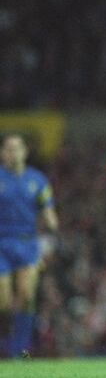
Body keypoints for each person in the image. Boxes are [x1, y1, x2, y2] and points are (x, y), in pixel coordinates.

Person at [0, 133, 59, 358]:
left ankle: (20, 350)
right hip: (1, 244)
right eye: (8, 148)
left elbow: (48, 209)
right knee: (3, 303)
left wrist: (52, 222)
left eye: (17, 148)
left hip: (27, 244)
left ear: (25, 152)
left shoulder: (38, 180)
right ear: (2, 153)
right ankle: (6, 342)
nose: (12, 153)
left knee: (26, 295)